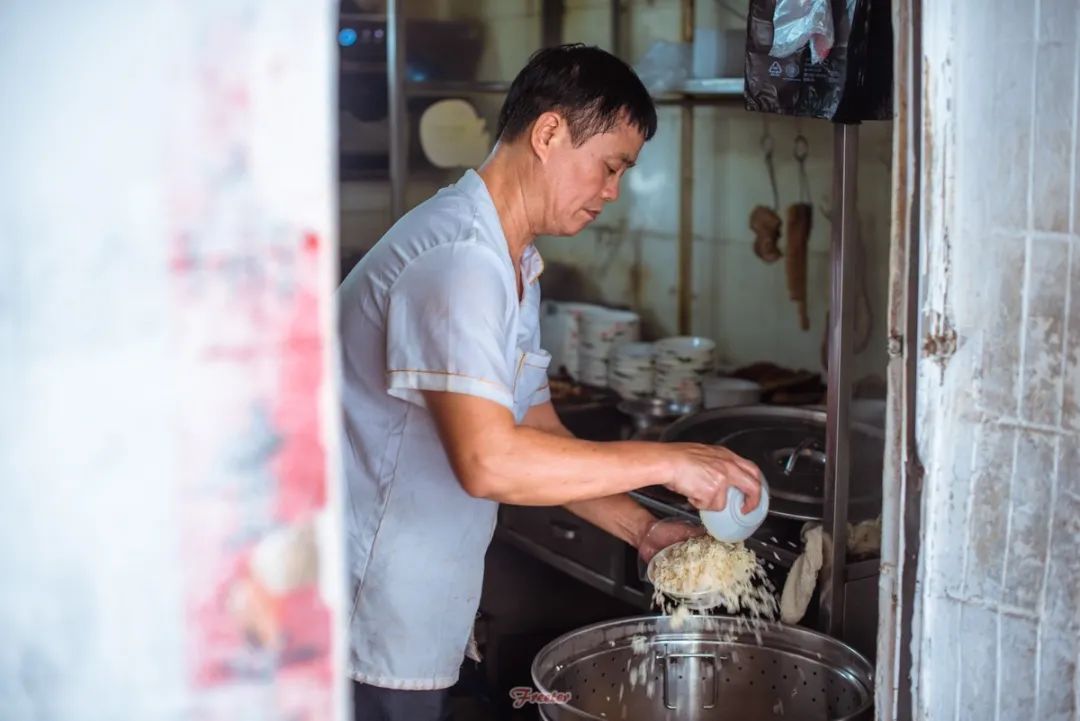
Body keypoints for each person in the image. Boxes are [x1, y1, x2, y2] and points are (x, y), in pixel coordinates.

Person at [338, 43, 763, 721]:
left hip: (413, 598)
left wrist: (642, 527)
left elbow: (536, 430)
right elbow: (489, 460)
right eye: (610, 166)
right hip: (366, 609)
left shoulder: (514, 262)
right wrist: (672, 460)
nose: (613, 191)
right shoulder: (458, 260)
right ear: (548, 133)